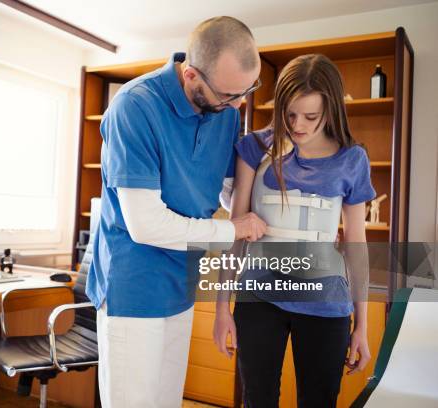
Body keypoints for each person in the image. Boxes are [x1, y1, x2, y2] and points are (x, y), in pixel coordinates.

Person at [86, 16, 266, 408]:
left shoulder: (227, 111)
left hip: (181, 282)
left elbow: (223, 190)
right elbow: (146, 224)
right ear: (190, 76)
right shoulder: (134, 108)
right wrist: (234, 230)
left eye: (246, 92)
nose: (237, 105)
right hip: (134, 285)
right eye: (227, 95)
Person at [213, 53, 374, 407]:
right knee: (258, 399)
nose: (298, 124)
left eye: (311, 116)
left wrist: (362, 326)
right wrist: (222, 307)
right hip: (259, 299)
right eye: (289, 114)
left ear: (331, 111)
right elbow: (235, 232)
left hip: (326, 302)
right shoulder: (255, 148)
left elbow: (357, 246)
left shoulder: (352, 159)